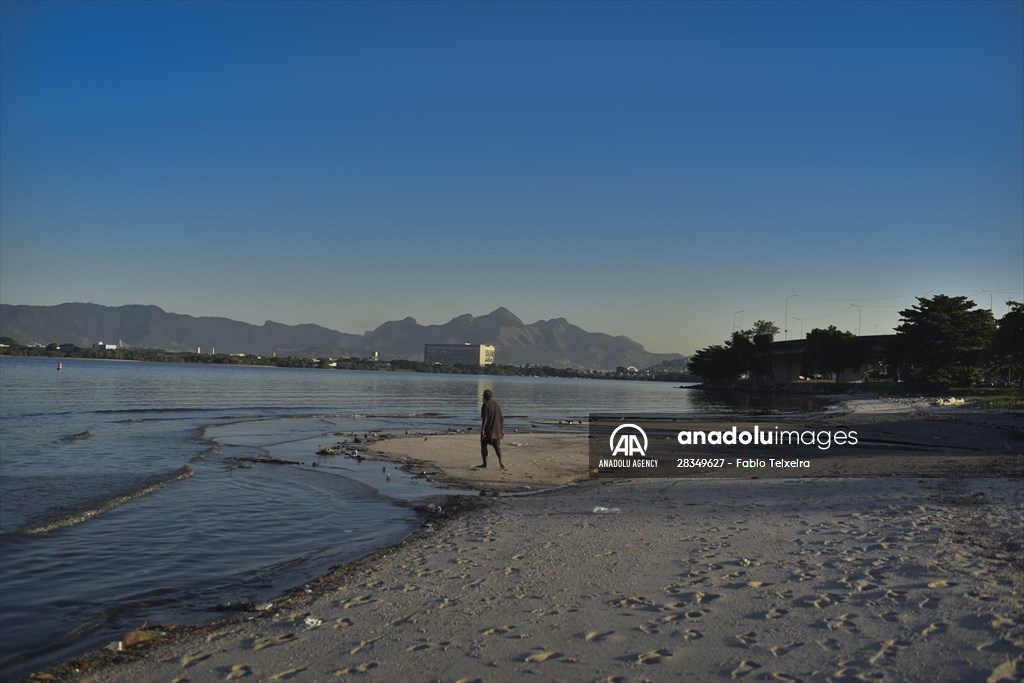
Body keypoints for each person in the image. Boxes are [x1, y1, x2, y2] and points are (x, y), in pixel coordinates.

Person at [479, 388, 506, 470]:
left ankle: (485, 464)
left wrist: (482, 429)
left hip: (489, 430)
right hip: (497, 430)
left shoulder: (485, 405)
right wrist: (502, 430)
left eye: (483, 396)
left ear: (484, 397)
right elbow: (501, 419)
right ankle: (501, 462)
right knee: (497, 447)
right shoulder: (497, 405)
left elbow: (485, 419)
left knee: (483, 445)